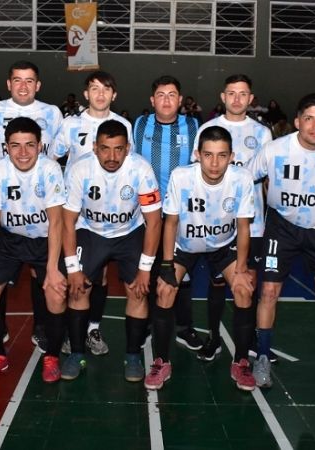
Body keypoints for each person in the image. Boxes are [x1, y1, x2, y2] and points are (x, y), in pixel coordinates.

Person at [246, 93, 315, 391]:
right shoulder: (274, 150)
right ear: (297, 122)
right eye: (309, 118)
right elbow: (244, 179)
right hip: (281, 226)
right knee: (268, 291)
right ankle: (263, 357)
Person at [147, 126, 256, 391]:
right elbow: (170, 222)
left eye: (222, 155)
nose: (215, 163)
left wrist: (241, 268)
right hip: (185, 245)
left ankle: (241, 362)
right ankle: (162, 361)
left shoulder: (242, 179)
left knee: (244, 290)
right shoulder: (181, 176)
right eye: (208, 155)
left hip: (222, 245)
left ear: (231, 156)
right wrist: (166, 264)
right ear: (197, 154)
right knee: (164, 290)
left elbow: (243, 227)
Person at [62, 119, 162, 382]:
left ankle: (132, 356)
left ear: (128, 148)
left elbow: (154, 221)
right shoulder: (79, 169)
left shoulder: (140, 168)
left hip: (130, 233)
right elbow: (67, 222)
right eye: (105, 148)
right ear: (95, 147)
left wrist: (145, 269)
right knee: (78, 289)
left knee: (138, 292)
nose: (112, 156)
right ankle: (77, 353)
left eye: (118, 149)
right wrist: (72, 268)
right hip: (91, 231)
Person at [0, 60, 63, 352]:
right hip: (5, 204)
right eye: (17, 80)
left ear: (38, 85)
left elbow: (64, 147)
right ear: (8, 83)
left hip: (40, 201)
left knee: (44, 278)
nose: (23, 86)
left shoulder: (51, 113)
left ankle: (44, 329)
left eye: (29, 81)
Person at [0, 117, 67, 383]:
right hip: (9, 241)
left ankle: (52, 357)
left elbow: (57, 221)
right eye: (15, 146)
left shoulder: (50, 170)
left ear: (40, 146)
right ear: (6, 147)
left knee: (56, 293)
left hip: (43, 240)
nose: (23, 153)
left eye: (29, 145)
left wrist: (51, 269)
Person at [190, 74, 273, 361]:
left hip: (252, 223)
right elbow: (196, 174)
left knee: (246, 282)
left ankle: (247, 341)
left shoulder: (262, 133)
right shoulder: (209, 128)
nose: (237, 99)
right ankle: (213, 337)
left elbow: (266, 179)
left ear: (251, 99)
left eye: (243, 94)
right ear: (223, 97)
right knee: (216, 282)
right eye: (232, 93)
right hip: (216, 223)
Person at [51, 71, 133, 355]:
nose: (100, 94)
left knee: (102, 278)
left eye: (106, 89)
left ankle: (92, 329)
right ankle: (70, 332)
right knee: (78, 275)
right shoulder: (70, 124)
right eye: (94, 89)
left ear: (114, 95)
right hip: (79, 214)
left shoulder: (123, 125)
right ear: (86, 94)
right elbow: (52, 158)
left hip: (111, 215)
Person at [133, 75, 203, 353]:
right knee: (148, 268)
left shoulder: (194, 126)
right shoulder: (139, 125)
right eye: (160, 95)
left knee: (180, 272)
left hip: (180, 213)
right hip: (146, 212)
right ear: (152, 100)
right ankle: (148, 324)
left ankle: (184, 327)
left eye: (172, 95)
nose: (166, 100)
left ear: (180, 100)